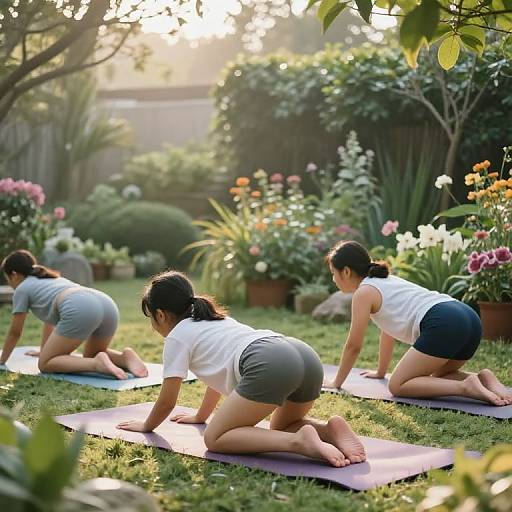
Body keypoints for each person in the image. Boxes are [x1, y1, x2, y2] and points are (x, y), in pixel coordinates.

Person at [117, 270, 366, 467]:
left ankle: (298, 441)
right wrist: (201, 416)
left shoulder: (177, 337)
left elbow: (166, 401)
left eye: (150, 318)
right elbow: (216, 379)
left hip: (270, 362)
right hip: (301, 355)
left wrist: (146, 426)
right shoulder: (213, 318)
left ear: (160, 315)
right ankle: (328, 430)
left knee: (215, 439)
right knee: (280, 427)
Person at [323, 240, 512, 406]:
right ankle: (483, 379)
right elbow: (387, 331)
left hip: (445, 322)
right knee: (438, 379)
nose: (333, 279)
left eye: (333, 273)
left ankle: (465, 386)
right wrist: (380, 372)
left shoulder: (364, 293)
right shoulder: (384, 280)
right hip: (468, 318)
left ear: (346, 271)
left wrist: (336, 383)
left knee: (398, 385)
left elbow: (353, 346)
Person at [0, 249, 147, 379]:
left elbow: (15, 332)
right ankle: (124, 358)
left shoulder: (22, 288)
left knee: (45, 364)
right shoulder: (49, 279)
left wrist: (2, 359)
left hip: (81, 306)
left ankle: (97, 364)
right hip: (106, 304)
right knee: (91, 354)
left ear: (14, 275)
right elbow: (49, 320)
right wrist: (45, 350)